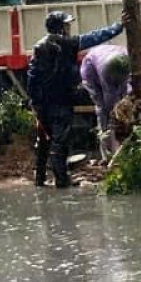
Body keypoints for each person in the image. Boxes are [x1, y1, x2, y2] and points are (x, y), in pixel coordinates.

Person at [27, 10, 125, 188]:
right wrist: (117, 27)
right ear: (61, 28)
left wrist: (34, 102)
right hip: (61, 99)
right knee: (60, 141)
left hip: (42, 102)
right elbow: (94, 37)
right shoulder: (67, 43)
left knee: (43, 140)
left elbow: (32, 77)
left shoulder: (38, 47)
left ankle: (40, 179)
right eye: (67, 24)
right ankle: (61, 181)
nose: (69, 27)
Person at [79, 45, 141, 158]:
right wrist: (121, 118)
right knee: (104, 109)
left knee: (128, 99)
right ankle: (109, 152)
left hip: (110, 56)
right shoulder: (105, 73)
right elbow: (110, 103)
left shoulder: (131, 60)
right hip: (91, 69)